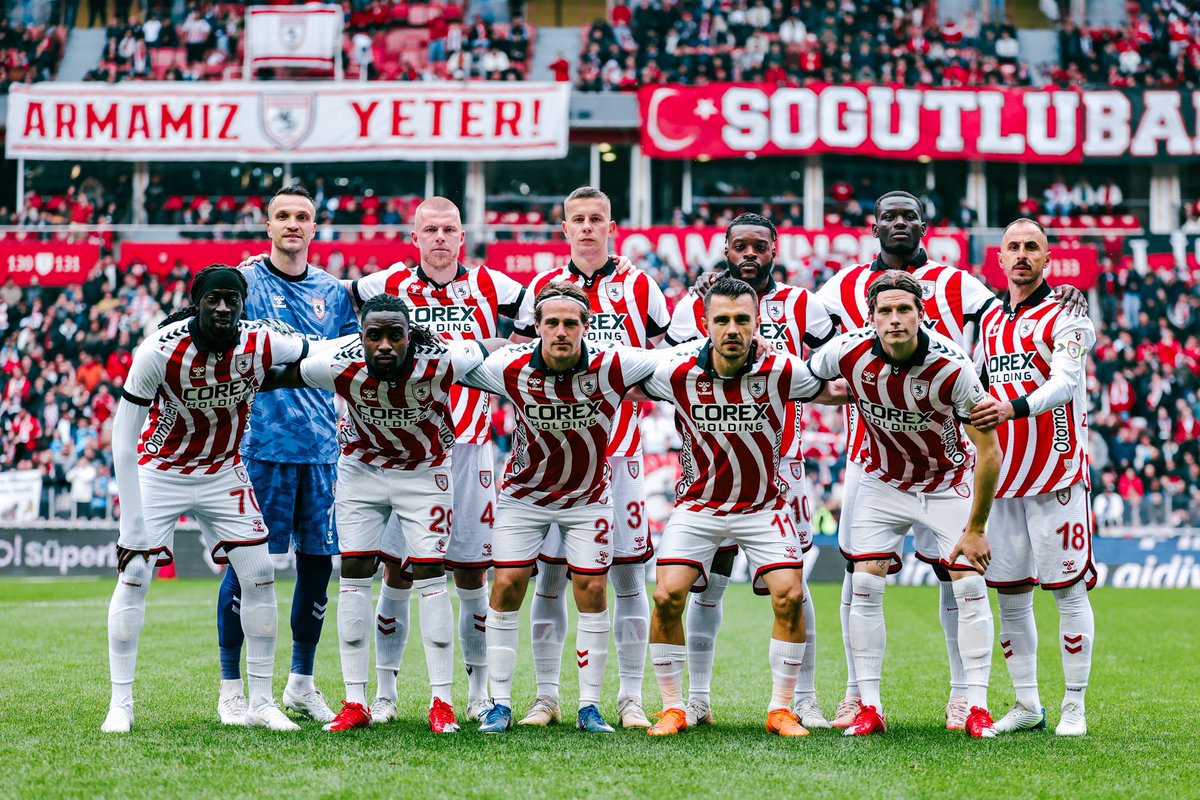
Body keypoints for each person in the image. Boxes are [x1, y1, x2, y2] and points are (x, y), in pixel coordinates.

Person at [814, 190, 1085, 731]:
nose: (898, 223)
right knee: (859, 576)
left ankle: (966, 696)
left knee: (958, 579)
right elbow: (798, 338)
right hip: (873, 454)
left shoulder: (958, 284)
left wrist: (1064, 298)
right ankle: (855, 694)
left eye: (908, 216)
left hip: (950, 451)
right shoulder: (839, 288)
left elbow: (1010, 315)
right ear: (874, 224)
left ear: (923, 225)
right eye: (888, 215)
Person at [264, 295, 509, 733]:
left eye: (394, 335)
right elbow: (280, 375)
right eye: (373, 335)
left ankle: (442, 702)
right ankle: (355, 702)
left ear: (410, 335)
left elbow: (494, 345)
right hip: (361, 470)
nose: (383, 345)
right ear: (360, 337)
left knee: (431, 575)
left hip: (425, 470)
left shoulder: (444, 357)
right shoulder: (338, 362)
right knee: (355, 572)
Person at [102, 266, 309, 733]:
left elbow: (314, 353)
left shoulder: (260, 340)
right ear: (196, 302)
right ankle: (121, 703)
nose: (223, 307)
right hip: (162, 470)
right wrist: (132, 522)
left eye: (232, 300)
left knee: (259, 574)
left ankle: (260, 702)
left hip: (223, 470)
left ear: (243, 304)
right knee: (134, 574)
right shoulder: (157, 349)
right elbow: (122, 436)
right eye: (213, 299)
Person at [636, 277, 845, 737]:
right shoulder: (675, 370)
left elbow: (836, 388)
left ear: (757, 323)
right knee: (667, 595)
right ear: (705, 324)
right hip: (698, 506)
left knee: (790, 595)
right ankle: (674, 706)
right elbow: (619, 379)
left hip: (762, 505)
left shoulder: (783, 369)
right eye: (723, 320)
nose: (733, 329)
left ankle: (781, 709)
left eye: (742, 320)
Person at [459, 281, 664, 735]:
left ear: (586, 327)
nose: (561, 331)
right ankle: (501, 703)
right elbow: (456, 364)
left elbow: (673, 358)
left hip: (588, 499)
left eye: (571, 323)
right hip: (523, 499)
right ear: (537, 326)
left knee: (592, 592)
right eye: (551, 322)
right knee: (508, 585)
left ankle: (589, 706)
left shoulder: (614, 364)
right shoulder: (511, 366)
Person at [349, 197, 526, 725]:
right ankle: (384, 692)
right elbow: (333, 296)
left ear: (462, 235)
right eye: (431, 230)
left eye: (450, 229)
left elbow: (535, 326)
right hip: (408, 454)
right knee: (397, 575)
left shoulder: (500, 288)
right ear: (415, 236)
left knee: (473, 576)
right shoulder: (385, 285)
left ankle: (475, 692)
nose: (441, 238)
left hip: (472, 449)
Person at [809, 270, 1002, 738]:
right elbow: (808, 374)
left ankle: (975, 704)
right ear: (871, 317)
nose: (894, 320)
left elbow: (990, 450)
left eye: (904, 310)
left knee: (968, 586)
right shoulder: (847, 351)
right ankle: (869, 706)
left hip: (945, 482)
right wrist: (835, 392)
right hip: (881, 482)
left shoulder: (953, 368)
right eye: (885, 311)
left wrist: (975, 528)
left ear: (921, 314)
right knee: (865, 586)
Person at [509, 186, 670, 730]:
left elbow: (666, 366)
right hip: (552, 463)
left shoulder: (641, 286)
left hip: (619, 455)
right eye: (576, 218)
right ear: (564, 228)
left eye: (595, 218)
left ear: (611, 225)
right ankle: (547, 697)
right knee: (551, 579)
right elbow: (516, 367)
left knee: (626, 578)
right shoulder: (542, 288)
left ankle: (628, 698)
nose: (585, 227)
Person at [216, 185, 358, 727]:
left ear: (315, 227)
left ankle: (301, 682)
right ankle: (232, 689)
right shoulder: (247, 283)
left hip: (322, 451)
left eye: (302, 216)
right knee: (249, 565)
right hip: (261, 448)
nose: (293, 224)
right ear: (268, 225)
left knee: (319, 568)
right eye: (283, 216)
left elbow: (349, 361)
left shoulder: (333, 292)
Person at [969, 218, 1097, 737]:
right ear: (999, 259)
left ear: (1048, 259)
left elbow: (1065, 384)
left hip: (1057, 473)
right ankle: (1027, 705)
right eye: (1013, 247)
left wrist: (1011, 408)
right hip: (1003, 480)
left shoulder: (1068, 315)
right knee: (1011, 596)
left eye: (1032, 247)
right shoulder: (990, 321)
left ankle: (1074, 704)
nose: (1022, 255)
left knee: (1067, 592)